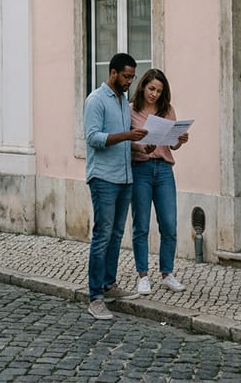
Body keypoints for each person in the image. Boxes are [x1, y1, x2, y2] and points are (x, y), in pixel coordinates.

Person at [84, 52, 148, 319]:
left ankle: (109, 285)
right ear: (112, 73)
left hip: (125, 178)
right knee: (102, 236)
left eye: (132, 77)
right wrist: (127, 135)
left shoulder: (123, 101)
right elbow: (93, 138)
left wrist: (139, 146)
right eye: (126, 76)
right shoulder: (96, 100)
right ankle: (95, 297)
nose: (129, 82)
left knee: (116, 235)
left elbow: (121, 141)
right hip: (103, 179)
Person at [129, 69, 190, 295]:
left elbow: (172, 145)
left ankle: (167, 273)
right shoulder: (130, 111)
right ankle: (143, 276)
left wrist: (180, 140)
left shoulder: (167, 111)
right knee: (141, 225)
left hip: (164, 170)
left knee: (169, 224)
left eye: (159, 90)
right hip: (140, 169)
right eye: (151, 88)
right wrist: (140, 145)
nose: (154, 94)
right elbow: (126, 142)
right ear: (143, 86)